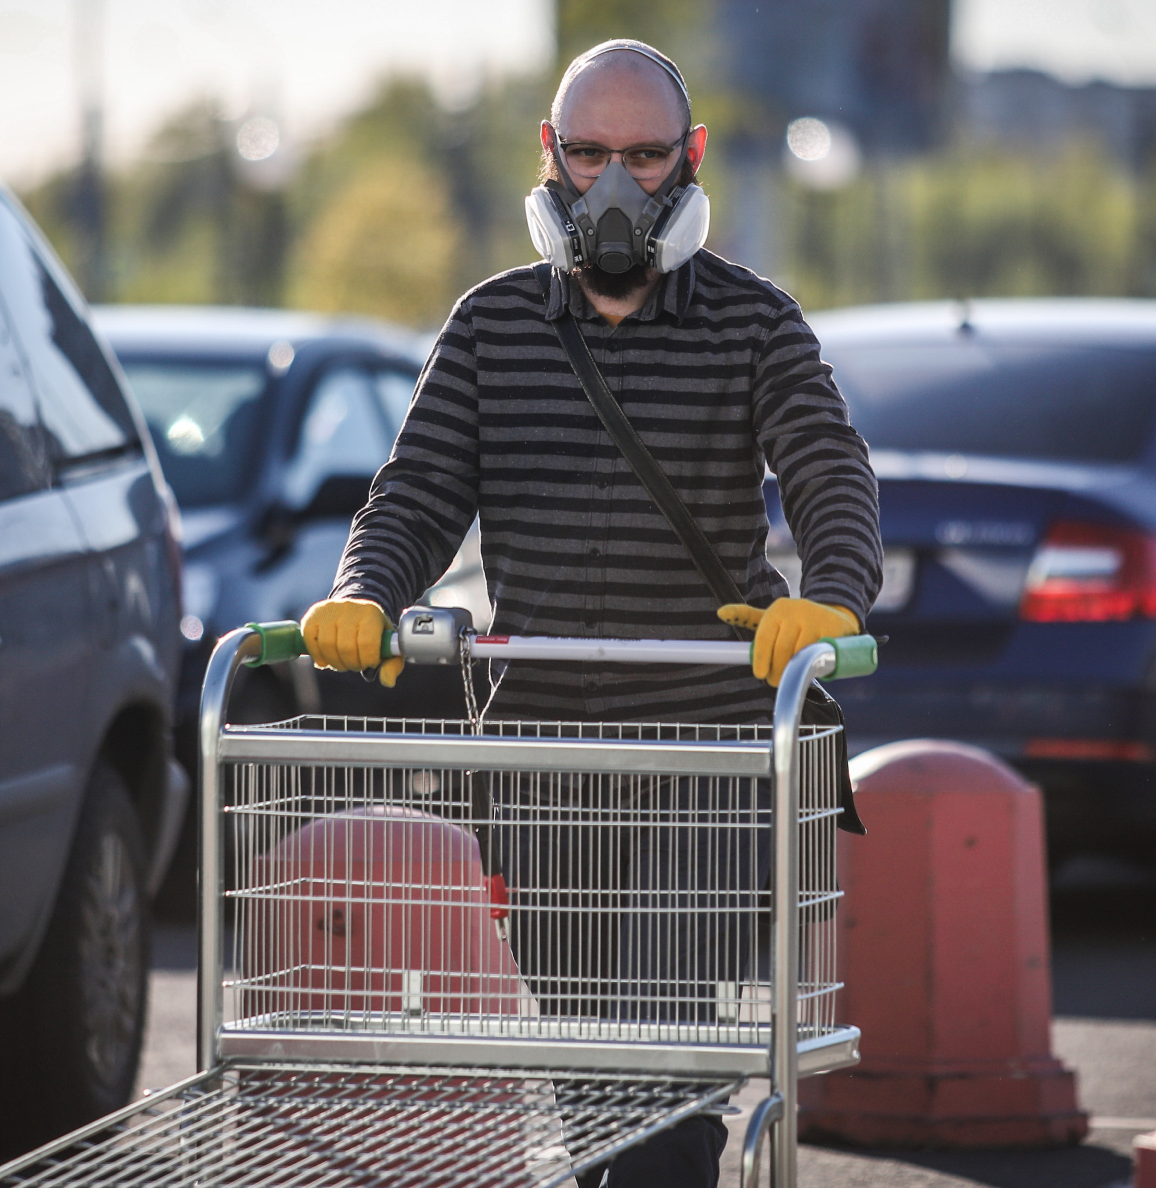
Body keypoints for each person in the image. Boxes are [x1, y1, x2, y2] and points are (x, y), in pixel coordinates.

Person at [301, 39, 881, 1188]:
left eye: (646, 156)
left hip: (705, 766)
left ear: (692, 159)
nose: (615, 184)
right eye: (589, 153)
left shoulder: (758, 326)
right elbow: (416, 492)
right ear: (549, 157)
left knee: (661, 1090)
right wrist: (364, 590)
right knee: (586, 1081)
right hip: (542, 767)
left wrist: (829, 598)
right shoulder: (489, 327)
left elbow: (830, 471)